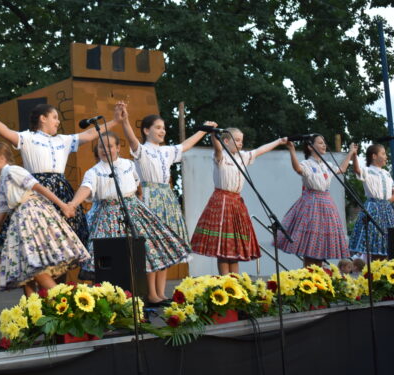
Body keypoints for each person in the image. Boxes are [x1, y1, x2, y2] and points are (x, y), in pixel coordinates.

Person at [0, 103, 123, 255]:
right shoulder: (27, 138)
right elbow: (6, 131)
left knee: (62, 241)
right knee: (39, 239)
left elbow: (88, 134)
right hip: (38, 192)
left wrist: (115, 121)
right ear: (43, 118)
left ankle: (58, 278)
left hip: (61, 190)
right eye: (54, 117)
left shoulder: (63, 140)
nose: (58, 121)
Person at [67, 132, 190, 305]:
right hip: (106, 215)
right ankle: (110, 301)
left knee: (144, 250)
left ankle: (150, 296)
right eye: (102, 146)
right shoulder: (93, 172)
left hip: (132, 210)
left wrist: (139, 198)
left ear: (118, 148)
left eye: (110, 146)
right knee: (108, 258)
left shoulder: (127, 164)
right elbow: (86, 188)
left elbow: (137, 183)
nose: (105, 149)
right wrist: (73, 204)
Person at [0, 142, 89, 294]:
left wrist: (63, 206)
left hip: (31, 216)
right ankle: (35, 310)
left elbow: (38, 187)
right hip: (19, 219)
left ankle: (62, 295)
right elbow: (1, 215)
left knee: (32, 264)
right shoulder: (2, 179)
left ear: (1, 158)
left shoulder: (13, 170)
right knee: (26, 268)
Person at [119, 105, 212, 301]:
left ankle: (161, 293)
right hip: (149, 195)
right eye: (158, 127)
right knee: (151, 246)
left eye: (163, 128)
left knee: (165, 245)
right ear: (146, 130)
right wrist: (125, 121)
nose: (162, 131)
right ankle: (150, 293)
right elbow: (131, 139)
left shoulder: (167, 151)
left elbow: (185, 145)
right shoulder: (142, 150)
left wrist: (203, 130)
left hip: (166, 197)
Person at [190, 128, 287, 275]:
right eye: (237, 140)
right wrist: (213, 135)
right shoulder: (221, 156)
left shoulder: (243, 156)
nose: (241, 143)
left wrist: (279, 141)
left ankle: (235, 283)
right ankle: (225, 281)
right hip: (222, 201)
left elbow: (260, 150)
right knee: (223, 246)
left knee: (233, 245)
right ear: (226, 141)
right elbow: (217, 148)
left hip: (236, 202)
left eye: (242, 140)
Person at [276, 136, 356, 266]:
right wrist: (292, 150)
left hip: (326, 203)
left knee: (321, 246)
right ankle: (309, 278)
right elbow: (298, 169)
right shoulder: (307, 163)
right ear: (310, 146)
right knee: (309, 247)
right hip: (311, 203)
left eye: (324, 142)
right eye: (320, 142)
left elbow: (342, 169)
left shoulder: (327, 165)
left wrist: (351, 153)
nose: (324, 145)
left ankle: (319, 280)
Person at [348, 144, 394, 259]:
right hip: (373, 207)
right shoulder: (367, 171)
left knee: (389, 242)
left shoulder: (386, 173)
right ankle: (374, 270)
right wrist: (354, 155)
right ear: (374, 156)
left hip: (386, 209)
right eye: (383, 153)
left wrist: (389, 200)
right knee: (374, 241)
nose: (386, 156)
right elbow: (357, 170)